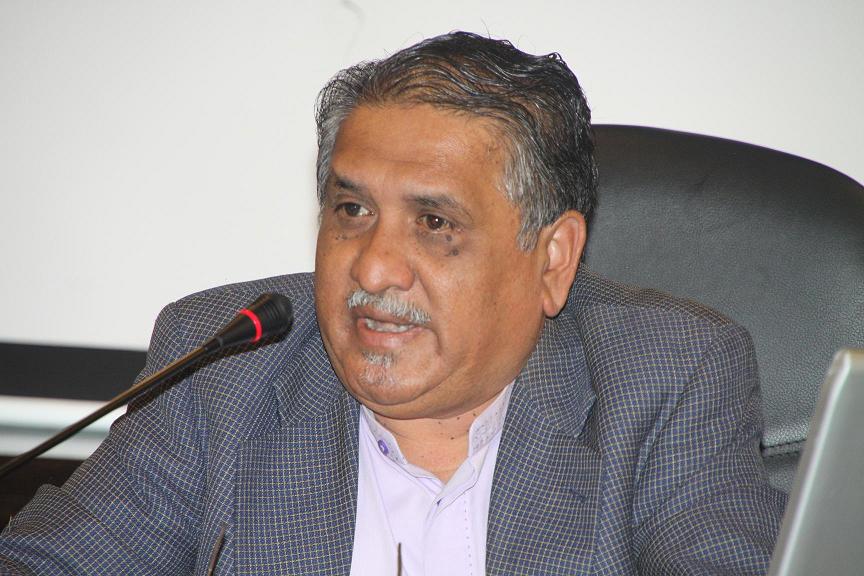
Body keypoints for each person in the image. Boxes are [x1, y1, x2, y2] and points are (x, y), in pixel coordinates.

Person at [0, 31, 786, 575]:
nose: (373, 265)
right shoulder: (226, 367)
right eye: (352, 210)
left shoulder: (666, 380)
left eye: (434, 223)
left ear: (552, 260)